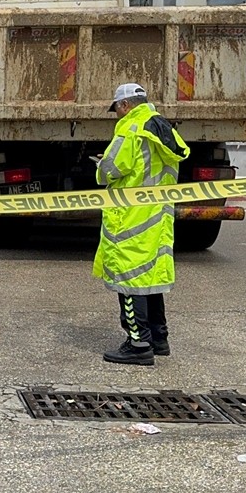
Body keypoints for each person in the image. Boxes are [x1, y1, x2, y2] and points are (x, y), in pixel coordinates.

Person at [93, 83, 189, 366]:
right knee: (150, 279)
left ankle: (138, 343)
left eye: (117, 109)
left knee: (129, 280)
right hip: (157, 216)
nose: (117, 115)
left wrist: (99, 166)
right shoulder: (164, 127)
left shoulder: (130, 128)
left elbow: (112, 169)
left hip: (130, 216)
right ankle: (159, 339)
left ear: (125, 105)